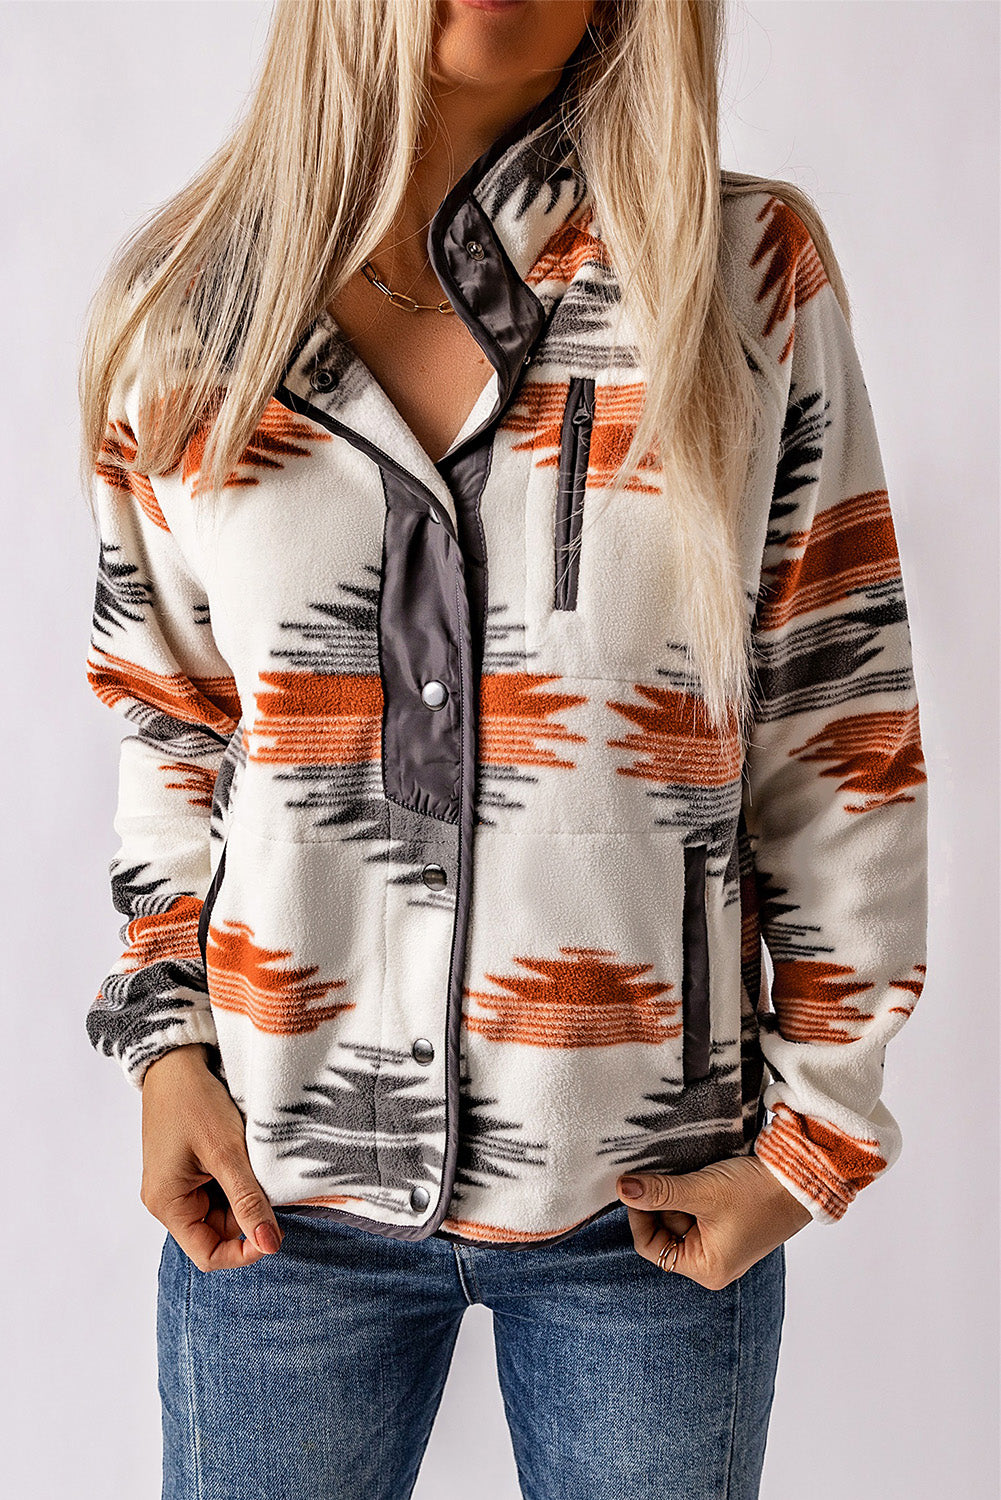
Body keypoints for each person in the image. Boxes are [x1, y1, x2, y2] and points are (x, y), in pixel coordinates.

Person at [77, 2, 929, 1497]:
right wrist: (167, 1052)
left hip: (650, 1197)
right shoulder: (188, 311)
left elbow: (836, 720)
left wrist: (815, 1140)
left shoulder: (738, 277)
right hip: (275, 1182)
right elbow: (171, 725)